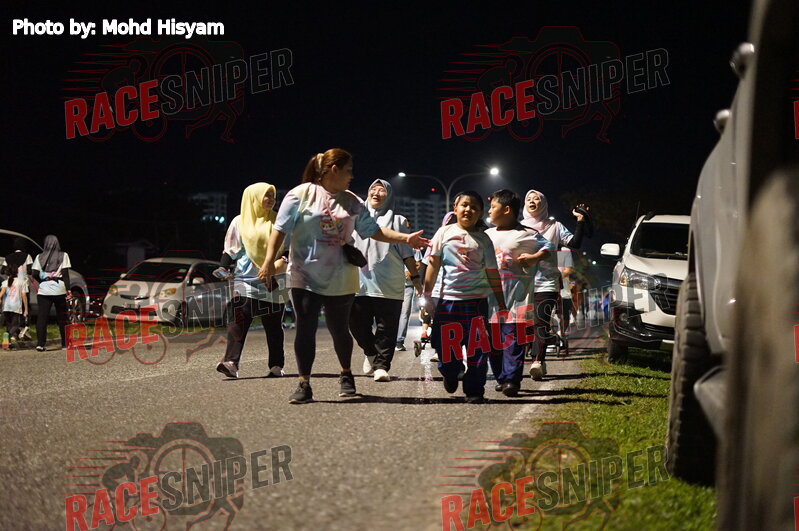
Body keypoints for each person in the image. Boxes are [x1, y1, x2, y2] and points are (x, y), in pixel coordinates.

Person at [258, 148, 428, 404]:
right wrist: (268, 262)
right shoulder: (299, 195)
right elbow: (279, 230)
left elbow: (374, 231)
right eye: (348, 170)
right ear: (334, 170)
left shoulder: (352, 202)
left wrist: (406, 239)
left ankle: (346, 374)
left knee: (340, 329)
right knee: (305, 328)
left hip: (342, 275)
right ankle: (304, 383)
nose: (352, 176)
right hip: (304, 274)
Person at [423, 191, 507, 403]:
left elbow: (492, 272)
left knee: (478, 349)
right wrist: (427, 294)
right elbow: (433, 264)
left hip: (477, 302)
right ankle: (450, 372)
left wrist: (501, 301)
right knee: (444, 347)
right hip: (447, 301)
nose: (468, 210)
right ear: (455, 208)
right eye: (464, 205)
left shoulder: (484, 240)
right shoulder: (443, 232)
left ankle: (475, 389)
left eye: (474, 207)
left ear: (480, 213)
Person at [350, 179, 423, 382]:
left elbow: (407, 254)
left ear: (389, 196)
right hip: (358, 281)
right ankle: (370, 352)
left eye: (382, 190)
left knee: (387, 328)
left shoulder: (398, 220)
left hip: (389, 283)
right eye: (373, 189)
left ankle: (382, 366)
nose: (376, 193)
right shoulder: (355, 217)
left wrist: (416, 279)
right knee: (356, 323)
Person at [215, 182, 288, 380]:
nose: (271, 200)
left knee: (273, 324)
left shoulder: (279, 221)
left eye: (273, 196)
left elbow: (288, 249)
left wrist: (282, 262)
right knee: (237, 320)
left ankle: (276, 365)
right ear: (253, 198)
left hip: (273, 280)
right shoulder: (240, 221)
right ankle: (231, 363)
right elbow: (230, 249)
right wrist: (223, 267)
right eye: (267, 195)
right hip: (245, 279)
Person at [484, 190, 552, 396]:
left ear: (506, 210)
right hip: (490, 301)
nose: (489, 211)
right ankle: (501, 377)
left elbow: (549, 247)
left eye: (493, 207)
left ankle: (512, 380)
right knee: (494, 344)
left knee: (513, 341)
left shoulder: (528, 233)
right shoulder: (487, 235)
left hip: (518, 299)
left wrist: (534, 257)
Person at [521, 190, 588, 380]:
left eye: (536, 198)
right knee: (525, 326)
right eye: (528, 199)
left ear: (543, 203)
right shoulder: (518, 227)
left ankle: (537, 361)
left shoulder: (555, 226)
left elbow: (574, 243)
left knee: (540, 323)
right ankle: (539, 357)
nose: (532, 201)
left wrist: (581, 221)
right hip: (522, 283)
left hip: (547, 282)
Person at [31, 235, 72, 352]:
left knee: (42, 317)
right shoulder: (63, 255)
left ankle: (40, 344)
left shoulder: (39, 257)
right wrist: (68, 290)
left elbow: (34, 273)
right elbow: (65, 274)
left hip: (44, 291)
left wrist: (43, 281)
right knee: (62, 317)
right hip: (59, 290)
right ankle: (65, 344)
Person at [4, 237, 33, 339]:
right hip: (23, 285)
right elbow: (30, 271)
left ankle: (13, 333)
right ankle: (24, 329)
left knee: (13, 310)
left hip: (11, 286)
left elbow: (2, 270)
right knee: (25, 308)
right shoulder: (27, 256)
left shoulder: (7, 257)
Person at [1, 265, 29, 345]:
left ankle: (7, 343)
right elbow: (24, 296)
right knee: (16, 325)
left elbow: (1, 294)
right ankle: (8, 336)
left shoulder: (5, 282)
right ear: (17, 272)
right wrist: (26, 309)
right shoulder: (21, 282)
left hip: (6, 307)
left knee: (9, 325)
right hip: (16, 307)